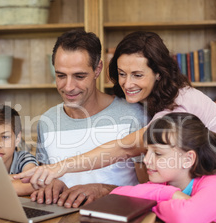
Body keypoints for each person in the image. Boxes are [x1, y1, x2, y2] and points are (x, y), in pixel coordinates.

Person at [15, 31, 216, 223]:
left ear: (158, 74)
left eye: (137, 75)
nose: (127, 83)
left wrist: (60, 168)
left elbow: (125, 147)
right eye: (121, 73)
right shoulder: (147, 103)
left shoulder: (175, 105)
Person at [28, 29, 147, 208]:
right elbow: (45, 178)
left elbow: (150, 189)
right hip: (59, 222)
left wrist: (104, 189)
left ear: (98, 69)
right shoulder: (47, 121)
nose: (68, 87)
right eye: (60, 75)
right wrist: (50, 186)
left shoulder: (133, 116)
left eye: (79, 76)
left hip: (117, 219)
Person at [111, 112, 216, 223]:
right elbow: (117, 196)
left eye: (157, 153)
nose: (146, 160)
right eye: (146, 152)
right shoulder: (165, 184)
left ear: (188, 159)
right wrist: (171, 195)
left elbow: (184, 217)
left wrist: (151, 205)